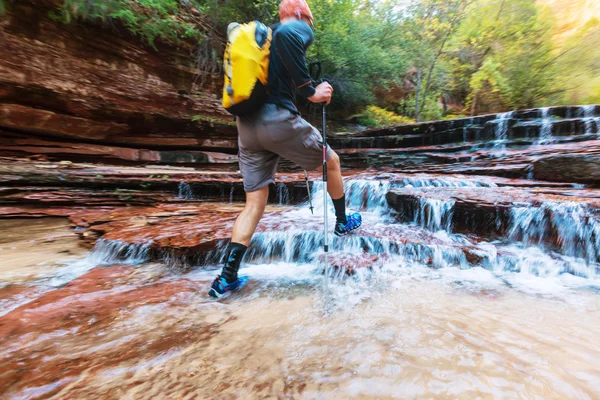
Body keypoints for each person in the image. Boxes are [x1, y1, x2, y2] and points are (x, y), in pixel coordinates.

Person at [209, 0, 362, 297]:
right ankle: (343, 222)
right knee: (332, 161)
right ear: (300, 14)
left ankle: (226, 277)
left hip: (247, 127)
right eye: (309, 19)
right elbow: (291, 38)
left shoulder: (262, 44)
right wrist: (310, 91)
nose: (309, 26)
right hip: (276, 119)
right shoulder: (294, 28)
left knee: (254, 203)